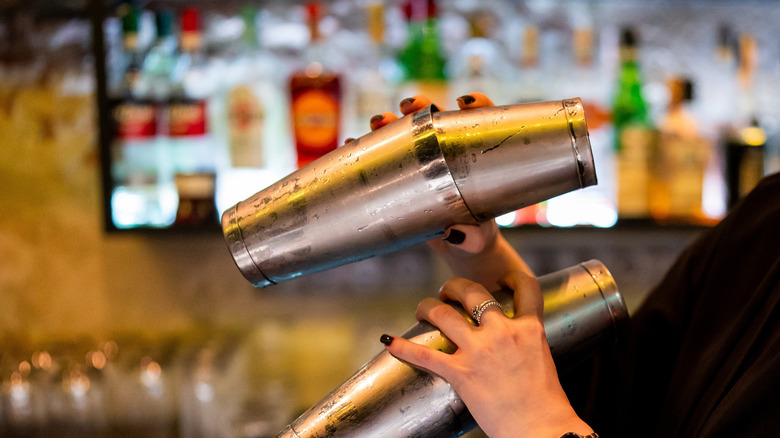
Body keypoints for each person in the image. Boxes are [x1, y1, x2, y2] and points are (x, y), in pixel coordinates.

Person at [371, 92, 780, 437]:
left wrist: (536, 420)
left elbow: (555, 416)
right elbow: (625, 397)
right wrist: (475, 245)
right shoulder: (769, 213)